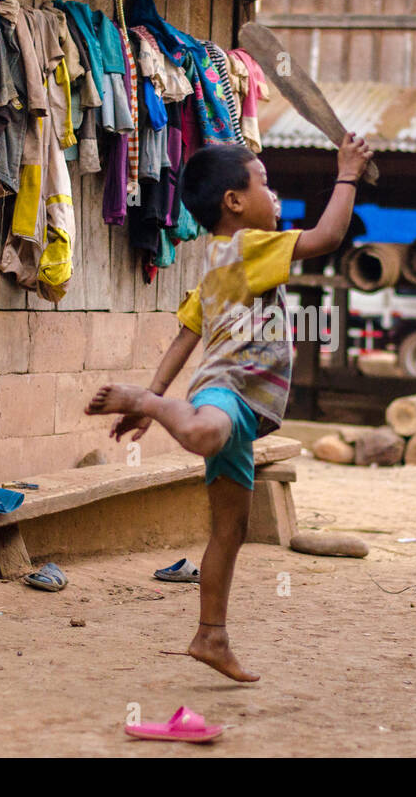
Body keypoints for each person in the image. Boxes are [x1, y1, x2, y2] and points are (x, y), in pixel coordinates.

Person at [86, 133, 373, 680]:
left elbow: (185, 334)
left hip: (239, 409)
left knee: (230, 530)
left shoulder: (218, 262)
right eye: (264, 182)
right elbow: (329, 236)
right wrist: (349, 172)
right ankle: (156, 404)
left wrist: (154, 402)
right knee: (201, 435)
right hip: (228, 393)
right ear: (234, 202)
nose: (275, 192)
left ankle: (210, 636)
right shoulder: (249, 247)